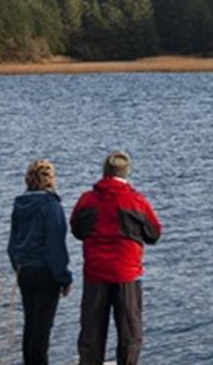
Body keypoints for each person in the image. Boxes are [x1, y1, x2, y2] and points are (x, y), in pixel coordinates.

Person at [71, 150, 162, 365]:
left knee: (92, 332)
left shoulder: (87, 200)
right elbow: (154, 233)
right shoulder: (135, 201)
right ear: (126, 172)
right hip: (126, 273)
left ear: (104, 171)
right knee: (129, 332)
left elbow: (76, 229)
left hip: (95, 273)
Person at [8, 158, 73, 365]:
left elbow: (12, 244)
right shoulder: (52, 206)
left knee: (30, 324)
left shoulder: (20, 204)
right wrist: (64, 278)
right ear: (49, 180)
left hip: (24, 270)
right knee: (42, 330)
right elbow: (55, 246)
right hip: (45, 272)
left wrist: (17, 266)